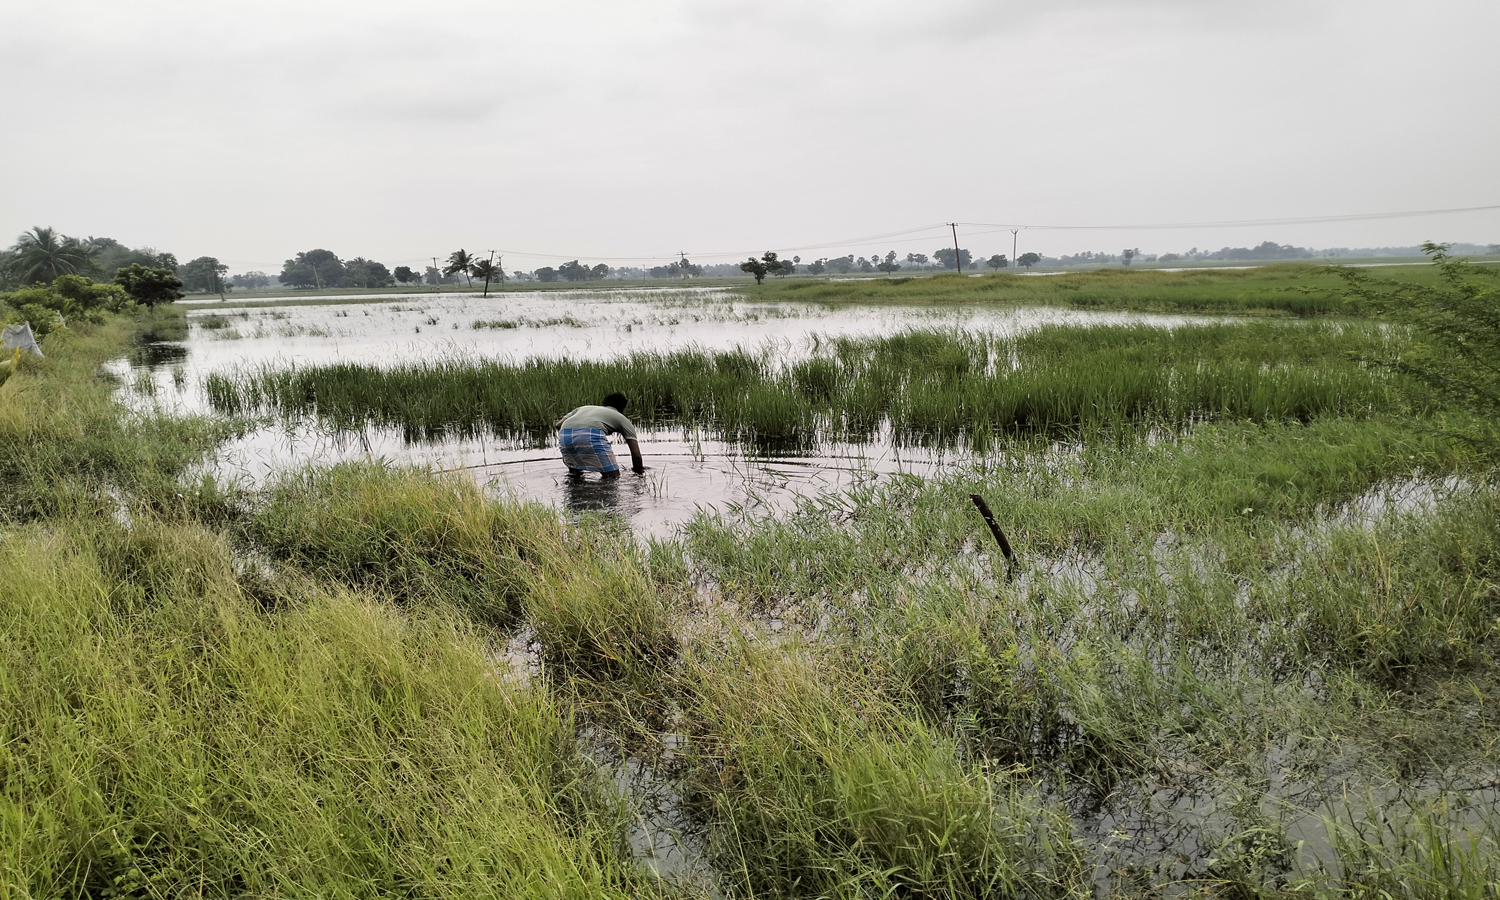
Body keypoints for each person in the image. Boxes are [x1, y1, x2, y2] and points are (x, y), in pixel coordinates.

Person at [555, 392, 646, 479]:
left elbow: (558, 425)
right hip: (590, 435)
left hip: (565, 435)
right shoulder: (621, 418)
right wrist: (639, 474)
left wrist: (573, 437)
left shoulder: (583, 408)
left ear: (604, 404)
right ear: (622, 408)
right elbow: (636, 455)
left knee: (575, 476)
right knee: (612, 477)